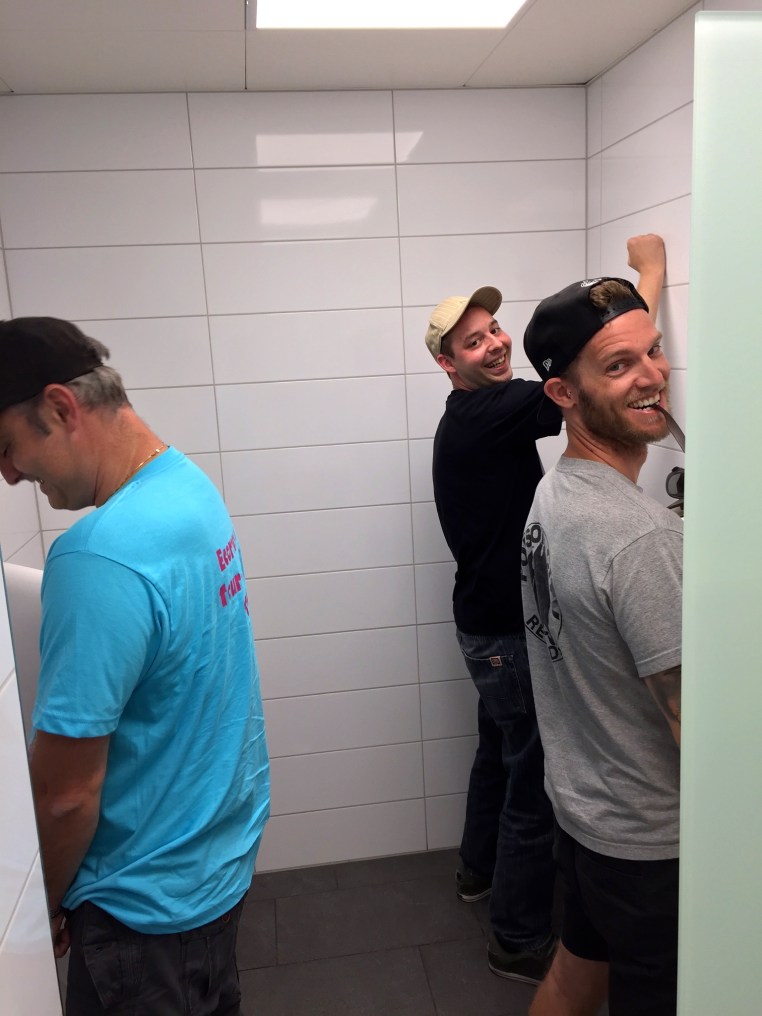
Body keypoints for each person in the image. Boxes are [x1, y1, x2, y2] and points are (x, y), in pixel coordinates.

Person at [0, 317, 270, 1016]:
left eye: (7, 446)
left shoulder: (96, 557)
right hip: (214, 864)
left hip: (141, 908)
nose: (9, 474)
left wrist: (41, 907)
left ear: (61, 407)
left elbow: (66, 796)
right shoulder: (186, 486)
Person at [426, 235, 666, 983]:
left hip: (483, 622)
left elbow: (603, 363)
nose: (495, 344)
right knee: (531, 779)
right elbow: (595, 371)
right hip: (501, 630)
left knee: (498, 754)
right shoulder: (489, 411)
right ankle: (517, 935)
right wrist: (650, 276)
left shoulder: (469, 414)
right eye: (474, 342)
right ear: (449, 365)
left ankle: (477, 872)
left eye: (494, 329)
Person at [520, 273, 682, 1015]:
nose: (653, 375)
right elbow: (695, 728)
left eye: (654, 351)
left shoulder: (557, 489)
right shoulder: (639, 538)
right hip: (653, 845)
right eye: (619, 365)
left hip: (586, 812)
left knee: (574, 979)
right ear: (563, 393)